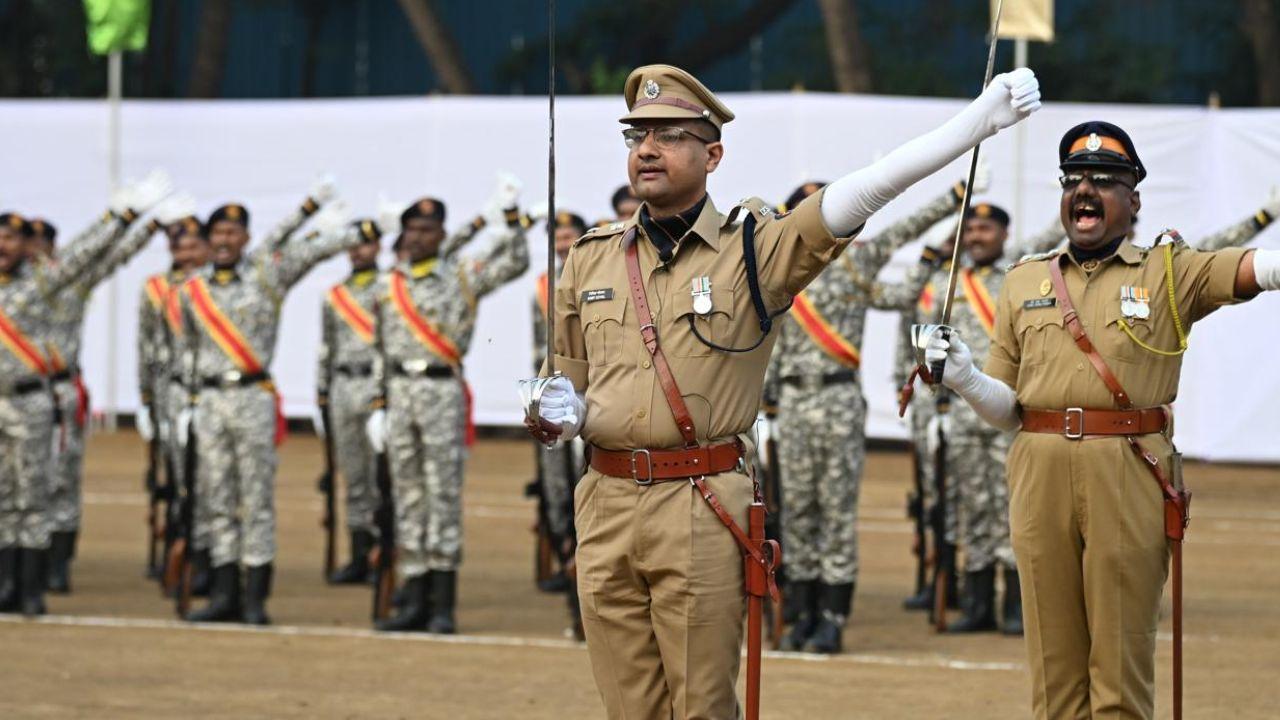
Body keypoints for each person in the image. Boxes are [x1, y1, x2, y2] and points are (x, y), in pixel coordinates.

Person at [525, 63, 1040, 718]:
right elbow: (567, 388)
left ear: (713, 155)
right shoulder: (589, 256)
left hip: (698, 500)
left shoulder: (753, 250)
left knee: (703, 705)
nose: (647, 149)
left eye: (669, 135)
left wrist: (974, 125)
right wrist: (557, 412)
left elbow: (862, 193)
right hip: (605, 500)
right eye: (637, 135)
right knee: (628, 708)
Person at [926, 120, 1280, 720]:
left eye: (1105, 181)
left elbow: (1259, 269)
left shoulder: (1169, 271)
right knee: (1053, 672)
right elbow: (1006, 409)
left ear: (1133, 201)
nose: (1085, 191)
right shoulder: (1024, 280)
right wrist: (963, 378)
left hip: (1127, 468)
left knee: (1118, 666)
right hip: (1038, 470)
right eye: (1074, 181)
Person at [767, 177, 975, 654]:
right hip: (792, 404)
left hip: (838, 400)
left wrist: (952, 199)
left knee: (836, 512)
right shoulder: (778, 267)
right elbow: (770, 343)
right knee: (797, 511)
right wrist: (765, 406)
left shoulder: (855, 260)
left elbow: (903, 228)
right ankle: (804, 610)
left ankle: (832, 617)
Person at [179, 191, 355, 625]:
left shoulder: (266, 276)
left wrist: (347, 231)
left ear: (246, 238)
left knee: (256, 498)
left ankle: (255, 596)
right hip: (210, 400)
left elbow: (310, 253)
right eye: (218, 232)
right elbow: (187, 351)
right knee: (217, 498)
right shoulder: (192, 291)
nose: (224, 240)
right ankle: (224, 594)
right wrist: (187, 403)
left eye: (233, 232)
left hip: (252, 397)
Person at [368, 179, 530, 633]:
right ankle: (413, 595)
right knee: (407, 495)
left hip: (441, 392)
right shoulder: (388, 284)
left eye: (427, 229)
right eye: (412, 229)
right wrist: (378, 403)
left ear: (442, 234)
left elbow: (515, 262)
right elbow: (379, 347)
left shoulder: (462, 274)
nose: (418, 237)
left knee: (442, 494)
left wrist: (513, 218)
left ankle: (442, 602)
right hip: (400, 393)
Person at [0, 192, 165, 615]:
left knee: (35, 494)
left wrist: (127, 217)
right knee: (2, 496)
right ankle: (5, 582)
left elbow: (90, 254)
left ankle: (33, 585)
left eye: (12, 239)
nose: (3, 245)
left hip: (33, 400)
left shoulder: (44, 282)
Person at [32, 187, 194, 593]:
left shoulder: (73, 284)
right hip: (12, 394)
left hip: (58, 391)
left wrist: (146, 225)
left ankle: (57, 563)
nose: (34, 253)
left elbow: (111, 254)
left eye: (41, 245)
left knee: (61, 479)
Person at [316, 219, 383, 584]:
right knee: (353, 474)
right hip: (342, 386)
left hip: (375, 386)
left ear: (378, 247)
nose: (358, 251)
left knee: (379, 476)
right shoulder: (335, 295)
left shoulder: (389, 287)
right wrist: (322, 392)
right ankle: (358, 553)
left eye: (366, 244)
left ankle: (381, 552)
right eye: (353, 245)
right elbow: (326, 347)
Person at [531, 210, 588, 633]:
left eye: (570, 236)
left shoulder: (597, 278)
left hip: (593, 399)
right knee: (557, 496)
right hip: (555, 398)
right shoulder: (543, 288)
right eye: (559, 236)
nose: (564, 243)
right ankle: (570, 583)